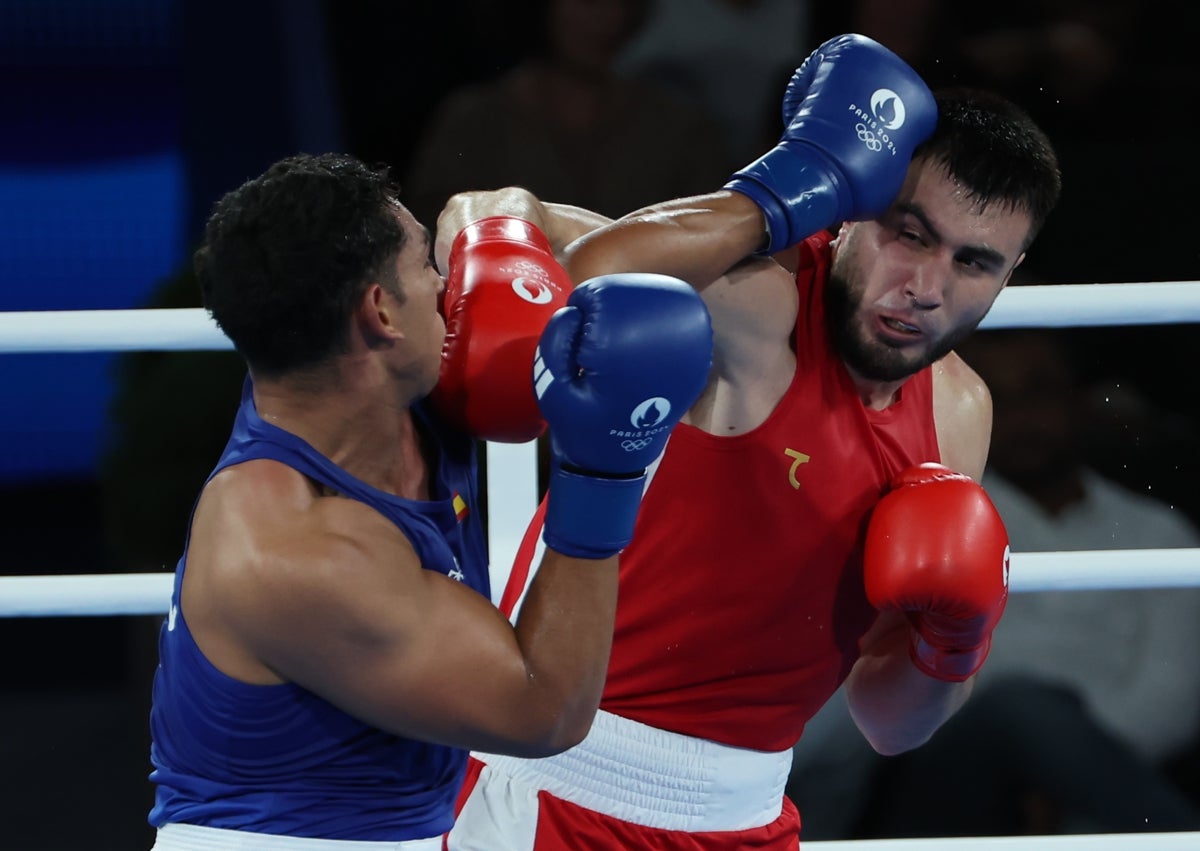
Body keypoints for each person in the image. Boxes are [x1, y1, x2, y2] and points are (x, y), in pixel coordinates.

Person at [436, 32, 1061, 850]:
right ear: (853, 211)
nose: (927, 287)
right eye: (909, 233)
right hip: (555, 788)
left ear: (1010, 272)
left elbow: (889, 722)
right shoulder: (754, 303)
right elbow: (511, 226)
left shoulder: (960, 414)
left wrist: (956, 644)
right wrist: (781, 192)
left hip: (749, 819)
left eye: (973, 262)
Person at [145, 152, 714, 848]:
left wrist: (501, 232)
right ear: (379, 311)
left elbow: (475, 209)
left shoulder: (348, 387)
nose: (450, 287)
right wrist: (601, 470)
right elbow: (545, 710)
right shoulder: (290, 550)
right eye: (426, 269)